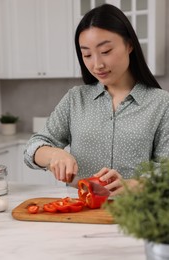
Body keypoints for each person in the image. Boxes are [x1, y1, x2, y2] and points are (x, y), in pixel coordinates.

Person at [24, 4, 169, 197]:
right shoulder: (75, 99)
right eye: (87, 55)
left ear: (129, 45)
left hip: (135, 214)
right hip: (79, 213)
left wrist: (133, 185)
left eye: (106, 51)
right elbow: (33, 147)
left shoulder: (161, 103)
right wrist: (53, 155)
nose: (97, 64)